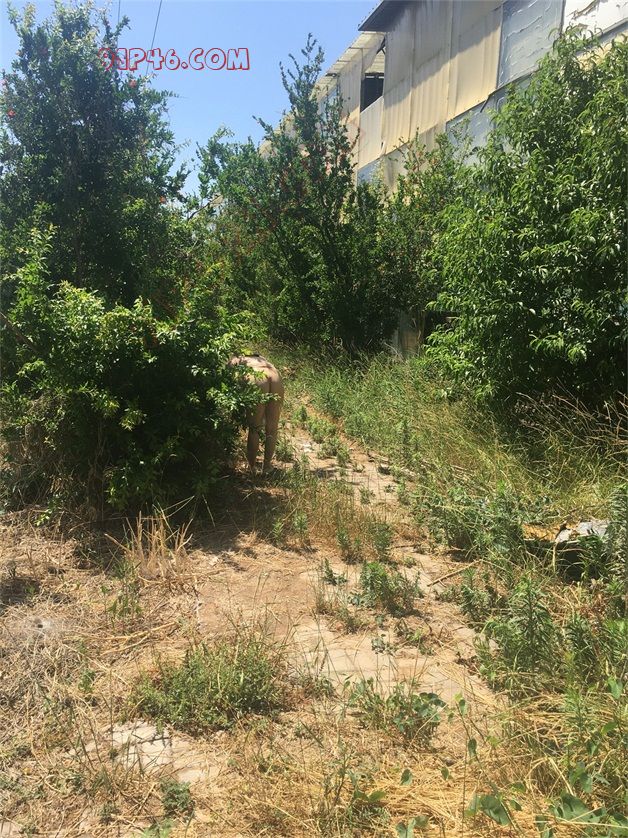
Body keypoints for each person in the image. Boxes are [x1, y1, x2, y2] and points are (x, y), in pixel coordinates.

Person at [229, 353, 284, 475]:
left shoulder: (235, 359)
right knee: (272, 428)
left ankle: (251, 466)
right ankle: (267, 466)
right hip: (275, 375)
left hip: (256, 378)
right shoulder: (262, 359)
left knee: (255, 427)